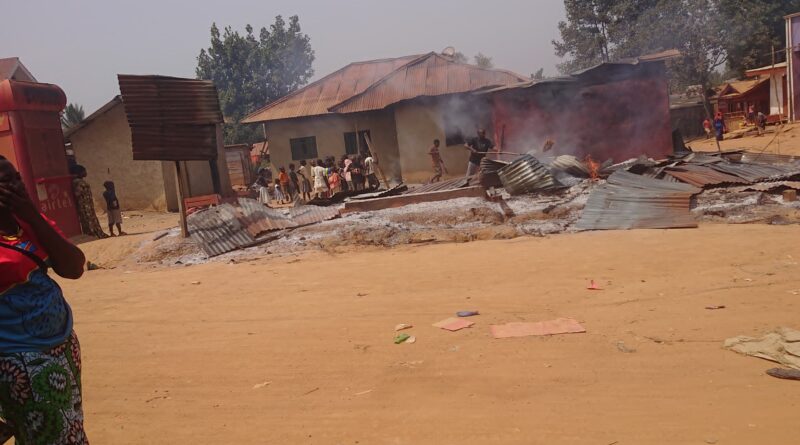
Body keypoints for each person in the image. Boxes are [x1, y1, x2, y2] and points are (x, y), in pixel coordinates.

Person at [0, 155, 89, 444]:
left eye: (16, 178)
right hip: (21, 357)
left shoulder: (27, 224)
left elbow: (74, 267)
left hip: (61, 345)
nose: (16, 186)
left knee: (68, 425)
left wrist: (33, 216)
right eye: (5, 183)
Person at [70, 165, 107, 239]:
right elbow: (77, 193)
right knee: (88, 219)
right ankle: (92, 234)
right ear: (79, 172)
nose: (86, 172)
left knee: (92, 218)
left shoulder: (80, 181)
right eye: (84, 171)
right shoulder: (77, 182)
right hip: (84, 205)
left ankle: (97, 233)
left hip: (88, 204)